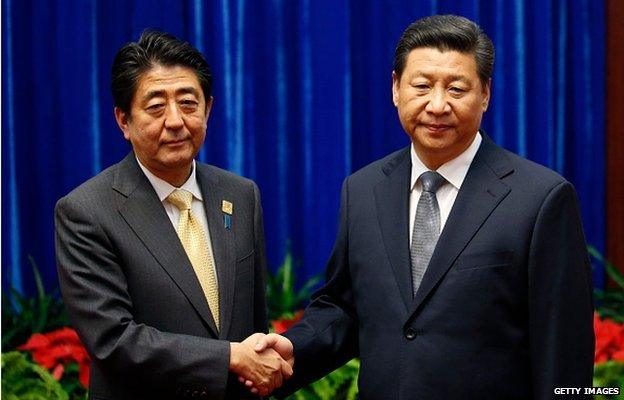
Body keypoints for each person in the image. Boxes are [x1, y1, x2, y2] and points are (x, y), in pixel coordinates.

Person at [252, 15, 594, 399]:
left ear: (485, 93)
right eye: (422, 86)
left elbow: (565, 348)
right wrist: (293, 350)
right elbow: (344, 308)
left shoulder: (541, 197)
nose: (437, 105)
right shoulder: (363, 189)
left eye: (456, 88)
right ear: (396, 88)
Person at [55, 30, 291, 400]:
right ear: (123, 121)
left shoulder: (241, 195)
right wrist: (229, 357)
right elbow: (114, 341)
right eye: (155, 107)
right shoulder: (87, 211)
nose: (176, 120)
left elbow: (254, 324)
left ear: (208, 109)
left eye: (188, 103)